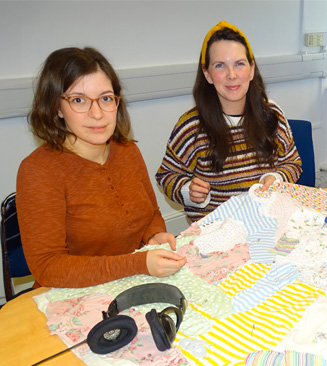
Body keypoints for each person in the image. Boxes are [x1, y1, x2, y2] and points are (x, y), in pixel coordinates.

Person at [16, 47, 187, 289]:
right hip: (71, 295)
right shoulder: (39, 171)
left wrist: (153, 236)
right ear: (56, 108)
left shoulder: (127, 151)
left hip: (130, 281)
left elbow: (151, 214)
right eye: (78, 100)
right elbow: (47, 268)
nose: (97, 113)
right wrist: (136, 263)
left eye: (106, 98)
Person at [155, 21, 302, 222]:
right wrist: (187, 191)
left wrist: (277, 178)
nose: (232, 75)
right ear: (207, 74)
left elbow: (292, 163)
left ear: (251, 69)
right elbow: (167, 175)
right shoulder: (191, 126)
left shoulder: (272, 115)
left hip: (268, 224)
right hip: (217, 235)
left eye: (239, 64)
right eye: (220, 66)